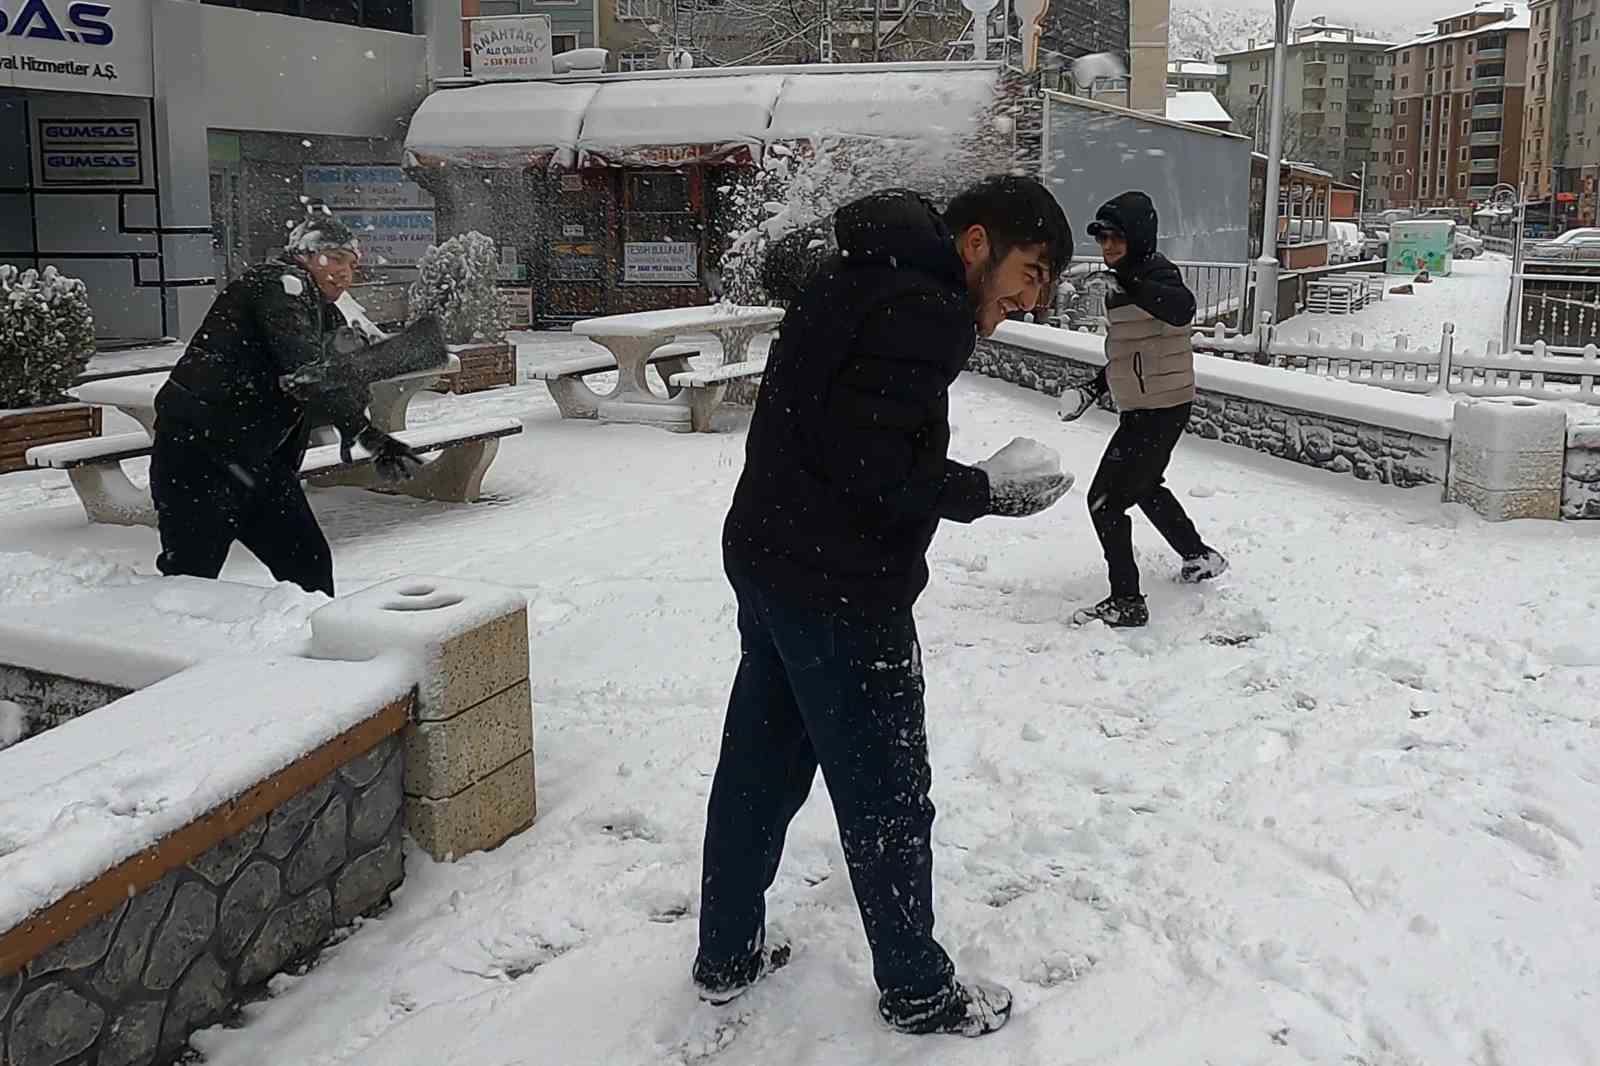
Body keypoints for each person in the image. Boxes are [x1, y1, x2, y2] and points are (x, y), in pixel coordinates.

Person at [695, 176, 1075, 1038]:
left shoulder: (856, 274)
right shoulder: (926, 310)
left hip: (770, 555)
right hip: (839, 584)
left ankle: (727, 953)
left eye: (1047, 282)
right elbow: (872, 468)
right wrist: (988, 491)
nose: (1032, 295)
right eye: (1031, 268)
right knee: (887, 793)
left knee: (762, 764)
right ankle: (915, 988)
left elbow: (834, 434)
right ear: (976, 243)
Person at [150, 211, 420, 597]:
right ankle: (168, 655)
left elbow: (337, 379)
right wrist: (366, 433)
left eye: (352, 264)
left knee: (309, 571)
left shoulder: (322, 309)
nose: (346, 272)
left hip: (258, 461)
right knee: (190, 580)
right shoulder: (277, 283)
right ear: (305, 255)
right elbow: (306, 371)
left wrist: (358, 370)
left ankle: (310, 655)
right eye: (336, 257)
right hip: (199, 456)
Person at [1056, 191, 1229, 628]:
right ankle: (1199, 556)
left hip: (1160, 408)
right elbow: (1129, 351)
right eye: (1103, 238)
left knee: (1104, 502)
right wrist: (1093, 389)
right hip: (1147, 405)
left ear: (1137, 237)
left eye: (1117, 237)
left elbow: (1181, 309)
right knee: (1146, 485)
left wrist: (1127, 282)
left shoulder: (1155, 274)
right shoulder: (1125, 279)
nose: (1108, 247)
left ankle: (1127, 601)